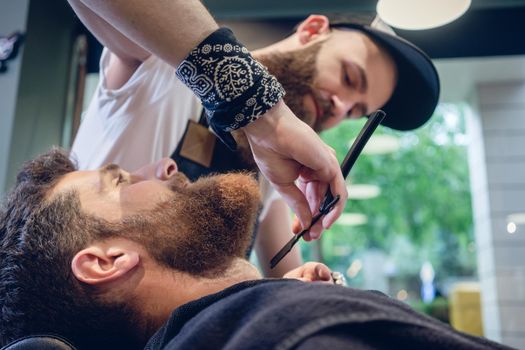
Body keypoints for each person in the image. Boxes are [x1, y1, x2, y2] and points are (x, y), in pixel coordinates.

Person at [68, 1, 439, 276]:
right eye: (348, 78)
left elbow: (282, 276)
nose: (340, 109)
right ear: (311, 30)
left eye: (356, 111)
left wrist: (304, 283)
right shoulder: (160, 67)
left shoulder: (269, 180)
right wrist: (263, 109)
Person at [0, 150, 510, 350]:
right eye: (121, 181)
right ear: (106, 261)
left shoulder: (252, 328)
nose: (166, 168)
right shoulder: (266, 335)